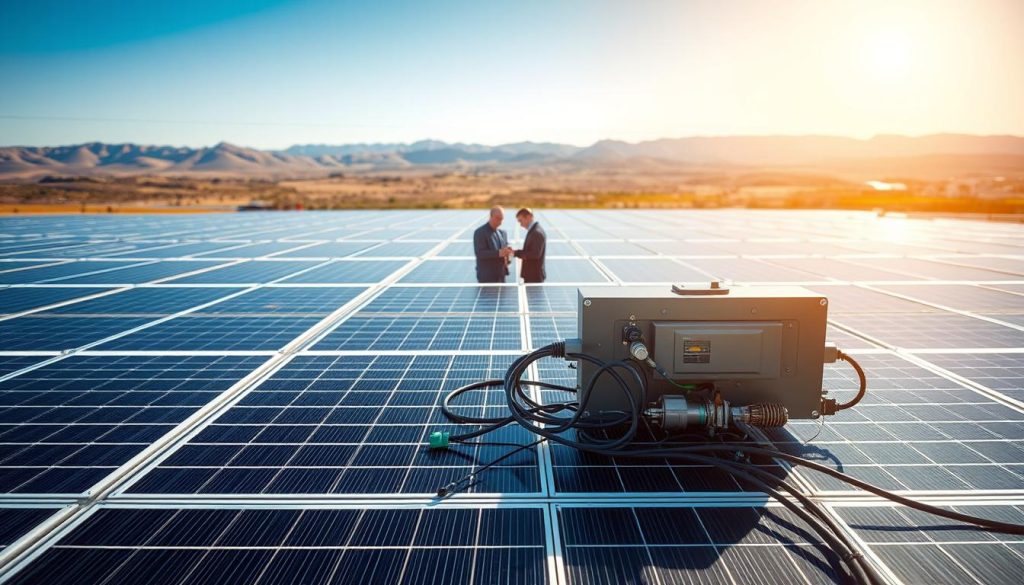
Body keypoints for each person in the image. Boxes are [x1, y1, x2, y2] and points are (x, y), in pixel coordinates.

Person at [473, 206, 512, 283]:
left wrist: (508, 254)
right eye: (497, 218)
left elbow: (505, 252)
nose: (500, 221)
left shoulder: (503, 233)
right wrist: (499, 253)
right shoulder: (480, 232)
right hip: (487, 278)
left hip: (501, 276)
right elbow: (480, 253)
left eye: (501, 219)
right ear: (490, 216)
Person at [513, 207, 546, 283]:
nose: (520, 224)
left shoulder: (536, 232)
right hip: (532, 275)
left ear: (528, 217)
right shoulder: (534, 230)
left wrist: (516, 253)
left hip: (534, 277)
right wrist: (515, 252)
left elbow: (535, 254)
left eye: (521, 221)